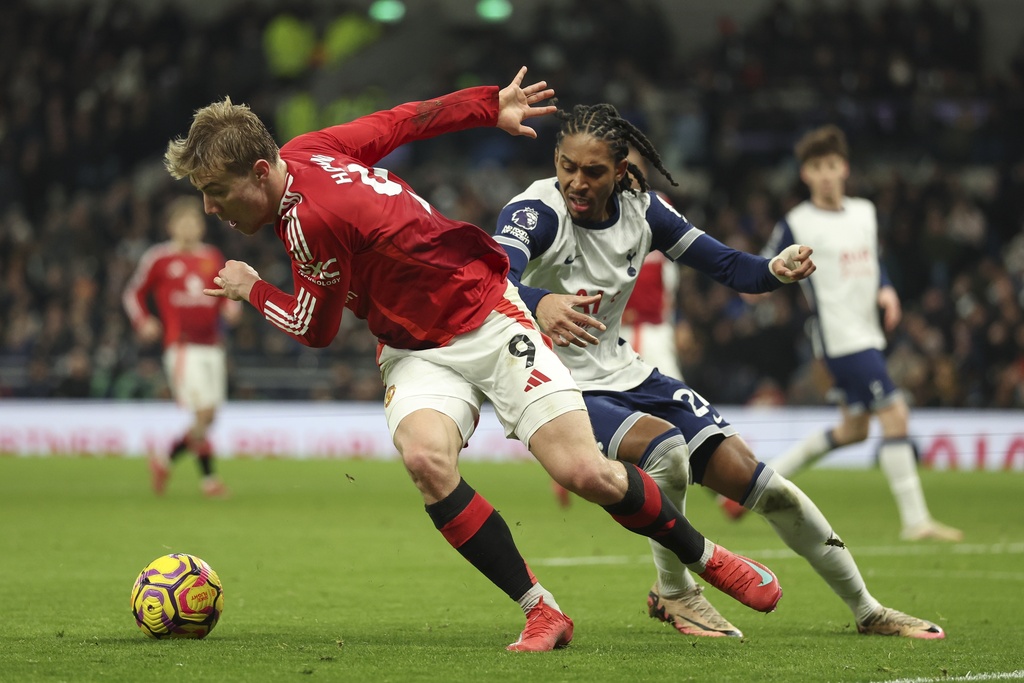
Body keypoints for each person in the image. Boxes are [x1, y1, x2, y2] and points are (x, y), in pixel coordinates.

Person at [163, 67, 783, 653]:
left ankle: (709, 559)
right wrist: (489, 104)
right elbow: (404, 120)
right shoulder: (312, 147)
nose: (213, 210)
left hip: (487, 313)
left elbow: (315, 326)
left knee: (585, 473)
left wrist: (253, 290)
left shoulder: (308, 222)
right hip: (414, 348)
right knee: (428, 462)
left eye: (217, 193)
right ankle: (543, 609)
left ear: (261, 170)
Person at [494, 102, 946, 640]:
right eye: (567, 166)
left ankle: (869, 610)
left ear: (620, 169)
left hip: (624, 371)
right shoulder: (536, 213)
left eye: (593, 172)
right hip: (548, 379)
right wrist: (540, 301)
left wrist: (775, 271)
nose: (576, 182)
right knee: (664, 450)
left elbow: (731, 266)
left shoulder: (644, 211)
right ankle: (677, 593)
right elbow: (493, 278)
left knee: (761, 484)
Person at [729, 124, 962, 543]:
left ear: (845, 168)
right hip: (839, 337)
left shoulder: (865, 213)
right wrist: (755, 289)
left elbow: (875, 263)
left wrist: (887, 291)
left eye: (832, 165)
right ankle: (916, 522)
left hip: (868, 332)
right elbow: (766, 265)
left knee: (855, 429)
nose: (825, 174)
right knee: (895, 414)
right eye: (816, 167)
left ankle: (750, 486)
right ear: (805, 174)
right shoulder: (796, 223)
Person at [123, 195, 241, 497]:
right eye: (183, 222)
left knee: (209, 416)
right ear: (171, 226)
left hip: (213, 345)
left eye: (194, 222)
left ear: (201, 227)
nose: (189, 227)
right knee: (203, 413)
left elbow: (224, 291)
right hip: (182, 347)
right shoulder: (159, 258)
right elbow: (133, 293)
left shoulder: (212, 256)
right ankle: (207, 480)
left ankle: (166, 462)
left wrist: (230, 306)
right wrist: (143, 321)